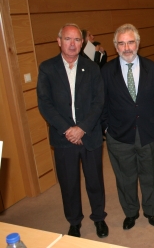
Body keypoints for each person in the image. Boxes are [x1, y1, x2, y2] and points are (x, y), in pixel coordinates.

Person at [37, 23, 108, 238]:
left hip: (91, 135)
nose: (72, 44)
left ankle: (99, 218)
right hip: (63, 138)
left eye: (77, 40)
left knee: (95, 180)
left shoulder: (93, 68)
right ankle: (74, 221)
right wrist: (69, 130)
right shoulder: (47, 68)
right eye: (68, 39)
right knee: (69, 184)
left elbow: (99, 102)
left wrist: (82, 128)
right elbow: (45, 103)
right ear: (59, 41)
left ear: (83, 43)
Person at [101, 24, 154, 230]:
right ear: (115, 47)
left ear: (137, 44)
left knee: (149, 174)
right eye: (121, 43)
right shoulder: (106, 72)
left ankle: (151, 211)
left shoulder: (152, 68)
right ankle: (131, 212)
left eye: (130, 42)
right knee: (125, 178)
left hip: (148, 133)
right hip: (119, 136)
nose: (127, 47)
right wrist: (106, 129)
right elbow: (102, 104)